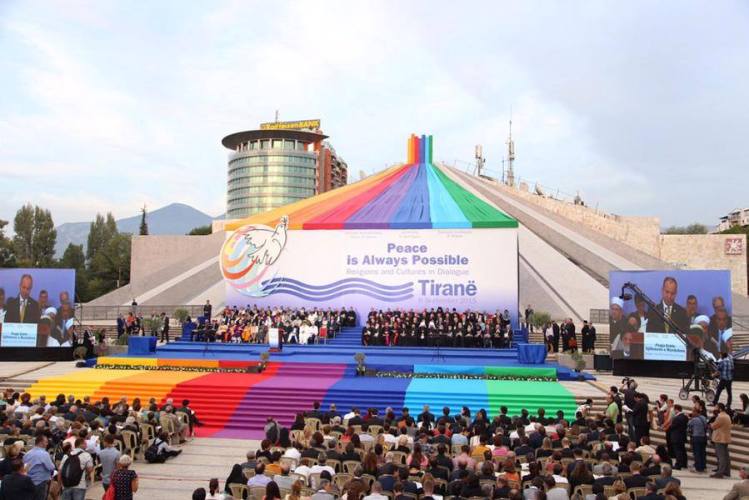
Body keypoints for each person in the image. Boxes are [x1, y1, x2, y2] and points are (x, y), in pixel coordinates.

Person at [23, 433, 56, 500]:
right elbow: (51, 467)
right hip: (39, 482)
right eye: (46, 442)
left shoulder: (27, 454)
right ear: (41, 443)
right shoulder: (44, 454)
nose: (47, 444)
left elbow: (24, 467)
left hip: (28, 482)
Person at [712, 403, 732, 478]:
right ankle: (727, 471)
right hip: (725, 438)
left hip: (720, 438)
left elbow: (714, 426)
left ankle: (720, 473)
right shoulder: (727, 415)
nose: (714, 408)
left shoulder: (720, 417)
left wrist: (711, 424)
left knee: (721, 457)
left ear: (720, 409)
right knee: (726, 456)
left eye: (716, 407)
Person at [687, 408, 709, 473]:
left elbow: (689, 425)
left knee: (697, 453)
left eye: (693, 412)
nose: (692, 413)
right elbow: (706, 426)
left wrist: (690, 418)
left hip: (696, 437)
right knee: (703, 452)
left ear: (696, 412)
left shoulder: (694, 419)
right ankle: (703, 466)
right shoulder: (704, 418)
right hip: (703, 437)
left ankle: (698, 468)